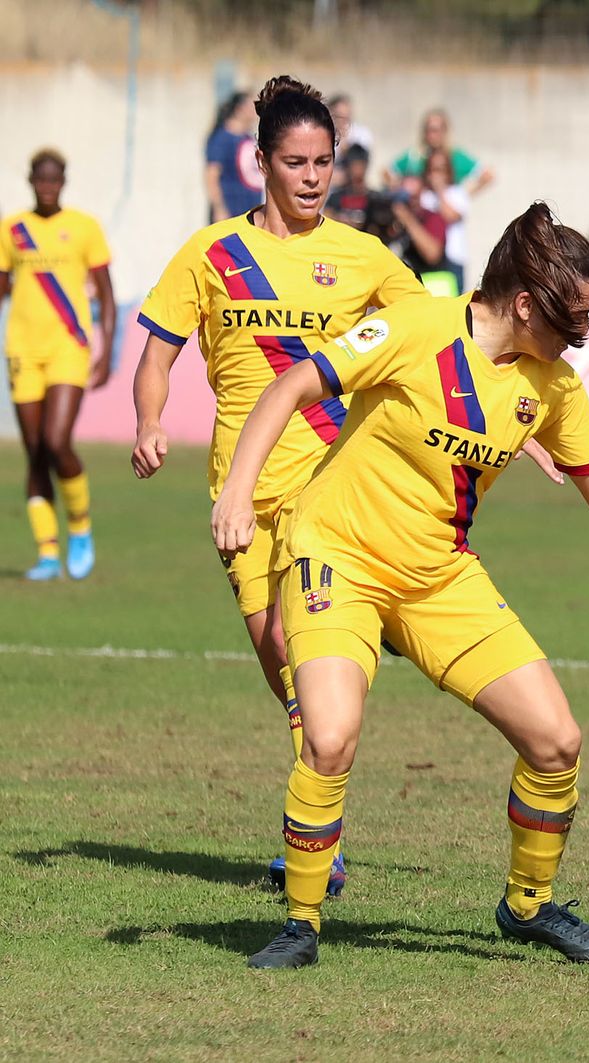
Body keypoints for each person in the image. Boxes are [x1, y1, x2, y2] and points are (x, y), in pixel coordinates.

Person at [212, 203, 589, 969]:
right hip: (337, 558)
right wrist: (238, 494)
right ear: (526, 303)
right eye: (573, 315)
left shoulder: (552, 386)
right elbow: (291, 387)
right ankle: (301, 923)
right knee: (329, 738)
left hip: (438, 574)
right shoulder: (416, 327)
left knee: (556, 742)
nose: (582, 331)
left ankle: (529, 904)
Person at [132, 75, 430, 893]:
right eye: (295, 162)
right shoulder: (211, 253)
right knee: (284, 670)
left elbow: (440, 338)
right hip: (243, 494)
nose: (312, 177)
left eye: (323, 162)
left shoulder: (364, 256)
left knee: (306, 668)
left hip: (334, 492)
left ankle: (318, 849)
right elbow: (156, 356)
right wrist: (150, 421)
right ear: (260, 162)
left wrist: (526, 420)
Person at [1, 149, 115, 580]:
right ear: (31, 181)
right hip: (22, 350)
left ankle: (80, 527)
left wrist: (107, 349)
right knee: (34, 452)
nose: (47, 187)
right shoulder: (13, 229)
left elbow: (106, 292)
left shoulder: (84, 227)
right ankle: (48, 552)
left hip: (69, 346)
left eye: (54, 180)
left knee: (56, 441)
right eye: (41, 180)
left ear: (63, 182)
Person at [390, 108, 493, 197]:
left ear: (444, 131)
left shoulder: (455, 156)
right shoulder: (415, 156)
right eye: (428, 130)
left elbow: (487, 175)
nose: (431, 135)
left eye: (435, 130)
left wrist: (462, 198)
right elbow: (388, 172)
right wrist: (404, 194)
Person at [205, 92, 265, 223]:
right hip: (230, 212)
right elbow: (211, 175)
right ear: (240, 109)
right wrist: (219, 209)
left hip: (250, 212)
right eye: (253, 106)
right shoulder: (222, 138)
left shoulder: (249, 138)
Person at [418, 148, 470, 294]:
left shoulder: (458, 193)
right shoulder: (423, 195)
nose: (436, 175)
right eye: (433, 170)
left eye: (440, 170)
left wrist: (440, 191)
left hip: (454, 259)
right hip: (429, 262)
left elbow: (451, 216)